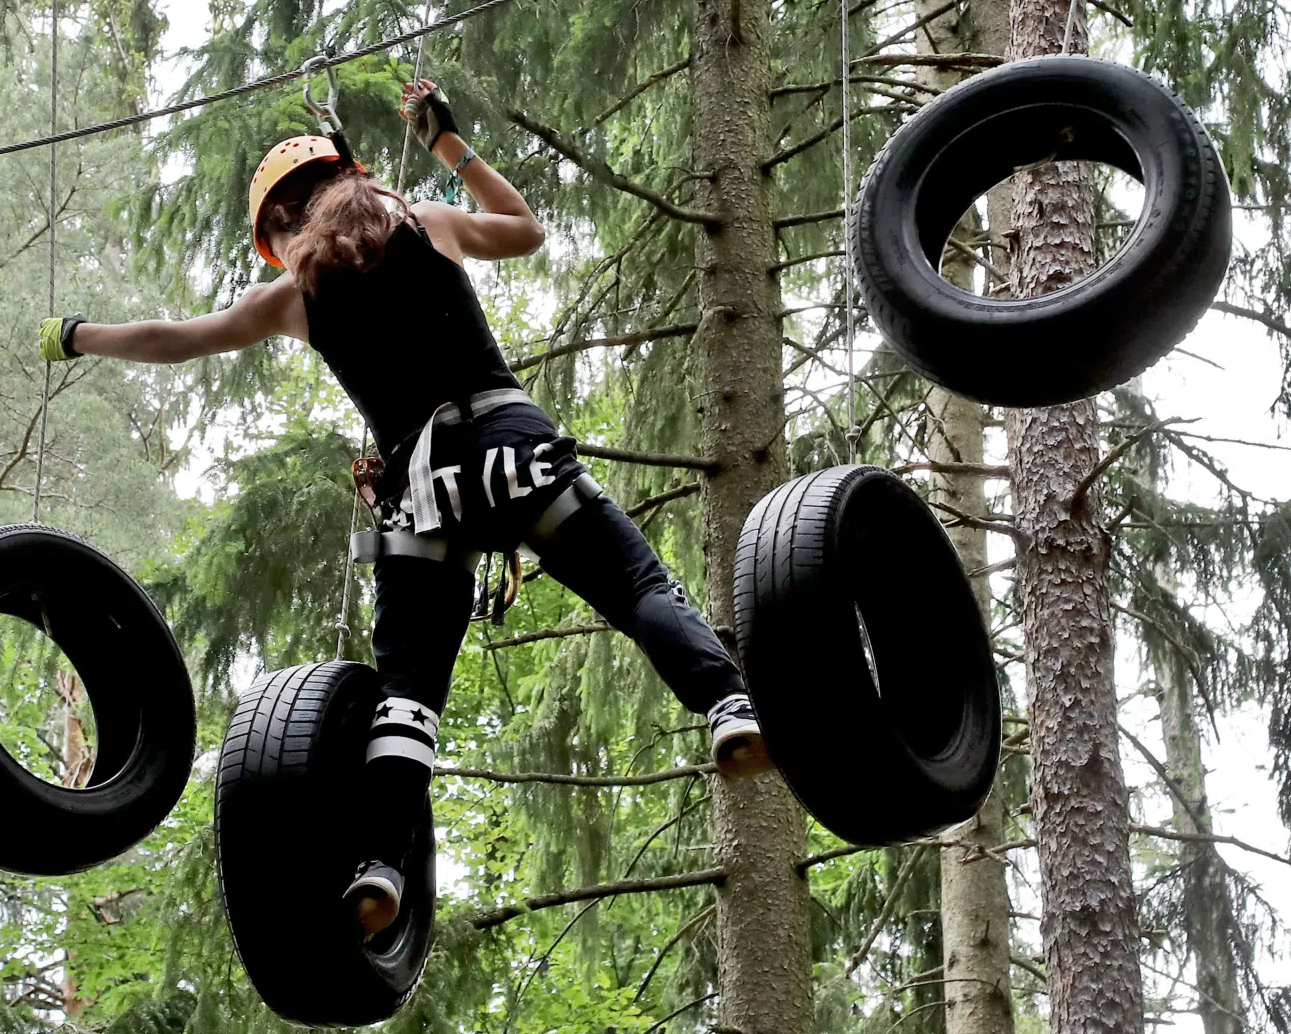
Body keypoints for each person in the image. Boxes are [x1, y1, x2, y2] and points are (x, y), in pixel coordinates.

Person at [40, 80, 767, 938]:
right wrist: (450, 145)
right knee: (635, 584)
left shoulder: (291, 297)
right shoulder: (430, 221)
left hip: (424, 495)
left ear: (279, 232)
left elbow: (176, 338)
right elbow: (528, 229)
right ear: (350, 178)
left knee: (408, 696)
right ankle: (729, 707)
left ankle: (381, 864)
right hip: (513, 450)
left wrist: (78, 334)